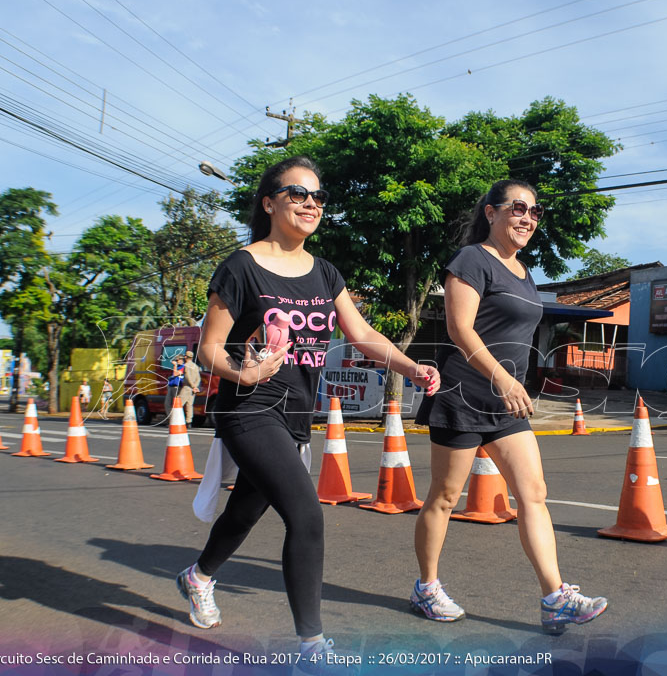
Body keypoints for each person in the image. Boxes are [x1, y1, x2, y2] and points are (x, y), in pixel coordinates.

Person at [175, 156, 440, 666]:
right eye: (298, 193)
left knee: (246, 510)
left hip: (296, 412)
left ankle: (198, 576)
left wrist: (411, 368)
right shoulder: (240, 267)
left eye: (317, 196)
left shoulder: (325, 273)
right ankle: (311, 647)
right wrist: (243, 373)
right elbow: (209, 347)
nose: (311, 203)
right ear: (269, 202)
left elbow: (361, 335)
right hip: (249, 407)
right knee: (307, 514)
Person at [413, 179, 608, 633]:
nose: (527, 218)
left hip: (505, 405)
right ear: (491, 213)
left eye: (535, 212)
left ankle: (555, 597)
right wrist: (501, 376)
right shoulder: (471, 260)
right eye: (518, 208)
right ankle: (426, 587)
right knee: (443, 498)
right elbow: (461, 330)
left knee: (533, 493)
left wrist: (514, 384)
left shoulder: (522, 272)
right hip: (463, 395)